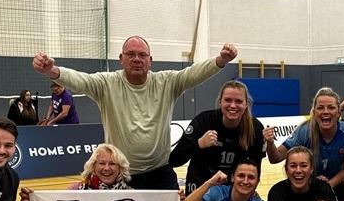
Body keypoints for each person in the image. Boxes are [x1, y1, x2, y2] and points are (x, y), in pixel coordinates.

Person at [32, 37, 238, 192]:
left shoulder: (167, 82)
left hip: (161, 173)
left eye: (142, 55)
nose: (136, 59)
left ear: (150, 60)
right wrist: (52, 71)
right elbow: (80, 80)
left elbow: (193, 73)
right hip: (121, 176)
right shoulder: (106, 84)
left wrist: (220, 60)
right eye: (130, 54)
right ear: (121, 59)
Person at [169, 80, 266, 201]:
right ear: (220, 101)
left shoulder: (254, 128)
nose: (233, 105)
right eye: (228, 100)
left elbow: (256, 167)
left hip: (233, 187)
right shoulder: (204, 121)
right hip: (202, 183)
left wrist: (251, 190)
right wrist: (198, 144)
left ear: (246, 104)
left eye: (238, 101)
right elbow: (174, 160)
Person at [264, 87, 344, 201]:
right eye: (320, 108)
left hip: (335, 185)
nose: (325, 111)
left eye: (331, 107)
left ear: (339, 112)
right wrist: (270, 143)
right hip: (307, 188)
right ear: (314, 112)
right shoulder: (305, 131)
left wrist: (328, 185)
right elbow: (275, 158)